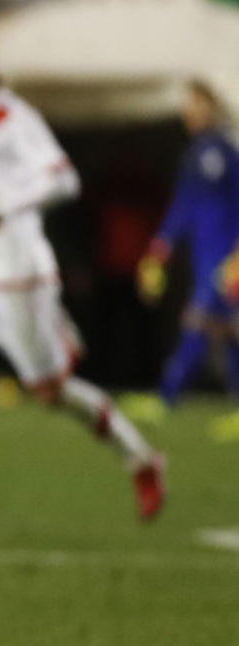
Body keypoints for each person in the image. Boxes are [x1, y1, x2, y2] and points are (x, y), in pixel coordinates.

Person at [0, 19, 165, 521]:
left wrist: (5, 209)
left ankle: (141, 458)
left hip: (18, 273)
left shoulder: (14, 116)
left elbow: (64, 179)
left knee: (50, 391)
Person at [130, 79, 239, 443]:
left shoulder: (223, 152)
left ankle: (166, 397)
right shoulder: (194, 153)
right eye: (187, 105)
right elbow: (184, 206)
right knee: (225, 331)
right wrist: (161, 245)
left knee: (198, 322)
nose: (189, 111)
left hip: (225, 256)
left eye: (196, 104)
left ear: (212, 107)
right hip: (204, 254)